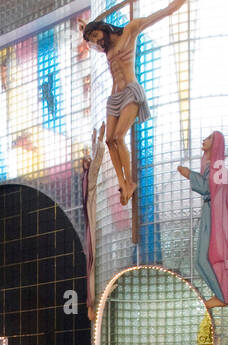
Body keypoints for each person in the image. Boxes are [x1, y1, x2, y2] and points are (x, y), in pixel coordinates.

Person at [84, 0, 186, 206]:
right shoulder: (105, 49)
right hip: (114, 98)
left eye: (95, 35)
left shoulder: (130, 31)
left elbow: (160, 14)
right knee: (109, 140)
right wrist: (83, 31)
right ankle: (123, 182)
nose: (96, 41)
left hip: (130, 91)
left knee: (119, 137)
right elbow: (89, 42)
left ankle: (129, 181)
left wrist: (173, 7)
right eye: (92, 40)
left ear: (102, 29)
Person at [178, 131, 228, 308]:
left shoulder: (219, 168)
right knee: (200, 260)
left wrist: (189, 174)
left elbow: (207, 188)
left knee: (204, 258)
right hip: (208, 211)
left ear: (216, 143)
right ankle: (220, 295)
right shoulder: (212, 166)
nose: (204, 140)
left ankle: (221, 296)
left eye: (210, 138)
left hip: (214, 215)